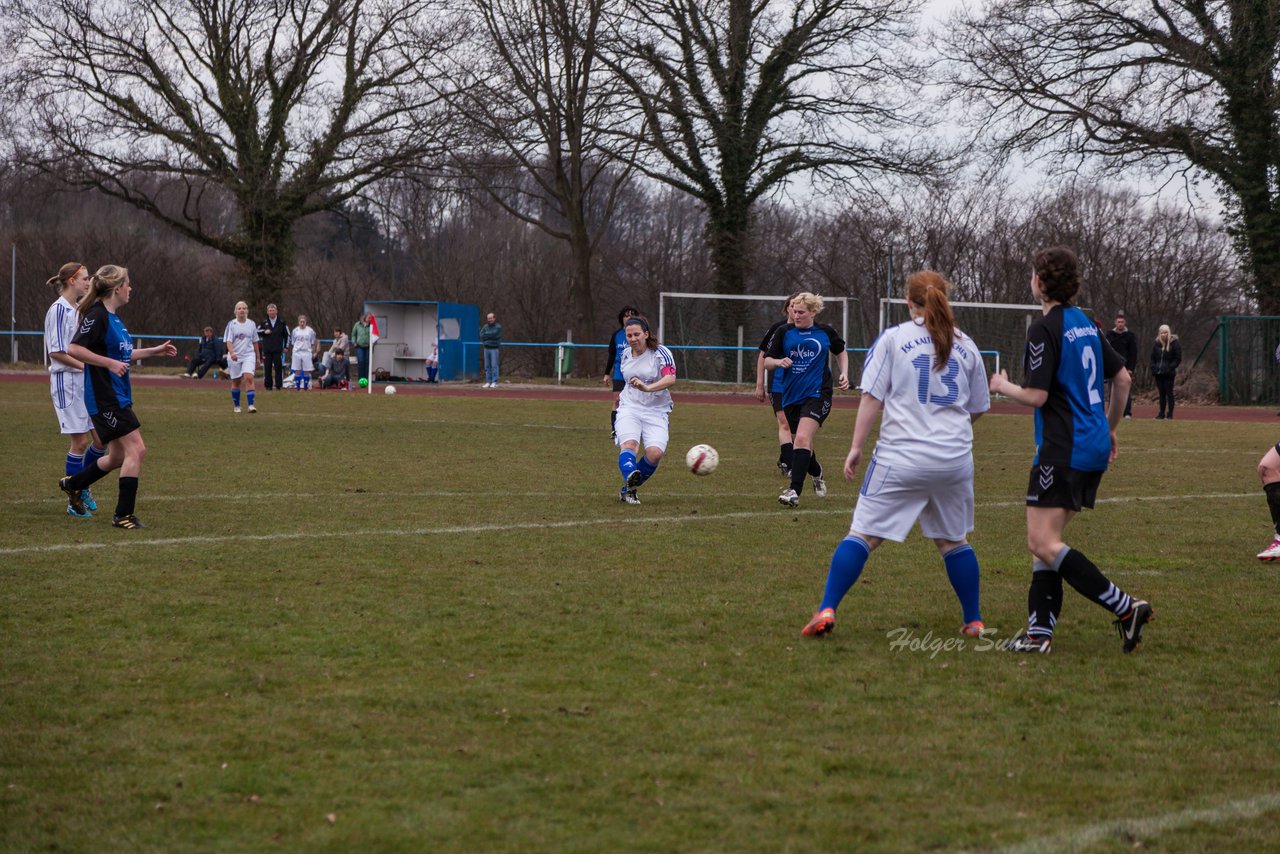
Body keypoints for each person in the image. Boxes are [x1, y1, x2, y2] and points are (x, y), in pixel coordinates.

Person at [802, 271, 990, 639]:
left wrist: (856, 446)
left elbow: (872, 396)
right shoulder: (966, 344)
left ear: (909, 301)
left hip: (900, 456)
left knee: (864, 535)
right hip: (954, 460)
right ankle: (974, 620)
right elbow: (979, 406)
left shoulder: (894, 339)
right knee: (953, 541)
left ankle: (826, 607)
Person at [989, 245, 1153, 654]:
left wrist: (1001, 387)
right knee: (1047, 540)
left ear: (1040, 282)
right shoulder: (1087, 322)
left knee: (1042, 542)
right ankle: (1038, 635)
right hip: (1092, 443)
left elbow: (1037, 395)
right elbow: (1124, 380)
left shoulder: (1044, 328)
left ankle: (1125, 606)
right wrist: (1110, 428)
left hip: (1063, 448)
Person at [57, 265, 177, 529]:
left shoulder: (115, 319)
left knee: (118, 457)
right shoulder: (97, 315)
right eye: (128, 284)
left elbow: (123, 354)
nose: (130, 288)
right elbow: (74, 348)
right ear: (116, 288)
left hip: (119, 395)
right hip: (105, 398)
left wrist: (154, 351)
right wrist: (109, 364)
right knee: (138, 449)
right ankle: (123, 516)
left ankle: (73, 484)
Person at [764, 292, 850, 507]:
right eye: (794, 311)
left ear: (813, 312)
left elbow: (841, 351)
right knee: (804, 444)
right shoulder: (784, 332)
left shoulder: (825, 332)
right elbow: (766, 361)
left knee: (801, 439)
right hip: (791, 395)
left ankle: (794, 491)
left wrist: (844, 373)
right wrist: (778, 361)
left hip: (818, 394)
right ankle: (817, 471)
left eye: (801, 312)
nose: (796, 315)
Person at [43, 262, 106, 517]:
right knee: (80, 442)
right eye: (84, 278)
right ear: (71, 281)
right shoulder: (57, 310)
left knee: (101, 440)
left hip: (84, 381)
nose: (88, 282)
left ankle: (84, 485)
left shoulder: (81, 309)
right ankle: (74, 498)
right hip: (66, 382)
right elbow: (56, 351)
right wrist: (85, 364)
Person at [614, 315, 677, 505]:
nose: (633, 339)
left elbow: (670, 379)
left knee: (655, 454)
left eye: (637, 334)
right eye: (629, 335)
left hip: (656, 410)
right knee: (630, 445)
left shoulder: (660, 352)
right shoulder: (625, 354)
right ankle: (630, 486)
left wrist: (647, 388)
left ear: (646, 334)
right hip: (629, 407)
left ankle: (627, 489)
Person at [755, 295, 800, 477]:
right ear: (787, 308)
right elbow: (763, 356)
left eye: (799, 307)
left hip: (800, 385)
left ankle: (785, 458)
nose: (795, 310)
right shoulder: (777, 329)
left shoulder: (809, 331)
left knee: (797, 430)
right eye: (792, 306)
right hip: (778, 383)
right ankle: (790, 466)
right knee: (785, 424)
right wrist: (760, 384)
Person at [601, 305, 639, 439]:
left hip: (636, 372)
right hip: (619, 372)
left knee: (636, 400)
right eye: (626, 315)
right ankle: (615, 430)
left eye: (632, 315)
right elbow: (612, 355)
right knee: (617, 400)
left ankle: (635, 428)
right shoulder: (616, 335)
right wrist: (607, 373)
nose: (629, 318)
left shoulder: (640, 335)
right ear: (622, 318)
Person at [224, 301, 261, 413]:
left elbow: (255, 342)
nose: (242, 310)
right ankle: (237, 406)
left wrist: (258, 358)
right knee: (236, 381)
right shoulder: (231, 324)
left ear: (247, 311)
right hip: (234, 356)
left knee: (249, 377)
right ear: (235, 311)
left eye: (244, 308)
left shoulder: (251, 324)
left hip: (248, 355)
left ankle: (251, 405)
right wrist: (232, 352)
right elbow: (228, 341)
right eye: (239, 308)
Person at [1104, 310, 1137, 418]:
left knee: (1125, 390)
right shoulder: (1109, 334)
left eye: (1122, 322)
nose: (1120, 324)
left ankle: (1127, 412)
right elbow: (1106, 351)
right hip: (1112, 367)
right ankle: (1112, 413)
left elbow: (1133, 353)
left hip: (1125, 367)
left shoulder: (1130, 336)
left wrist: (1130, 368)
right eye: (1118, 322)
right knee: (1112, 391)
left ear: (1125, 323)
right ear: (1115, 322)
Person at [1150, 323, 1182, 419]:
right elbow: (1153, 358)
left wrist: (1170, 368)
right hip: (1158, 373)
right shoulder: (1156, 344)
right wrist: (1154, 368)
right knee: (1161, 394)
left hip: (1168, 373)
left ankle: (1170, 414)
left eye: (1165, 332)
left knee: (1169, 393)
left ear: (1168, 333)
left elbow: (1177, 358)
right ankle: (1161, 413)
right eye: (1161, 333)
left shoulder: (1175, 343)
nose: (1163, 334)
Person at [258, 303, 290, 390]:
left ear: (276, 311)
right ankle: (268, 386)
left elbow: (287, 335)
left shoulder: (282, 322)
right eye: (270, 311)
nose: (271, 312)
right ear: (267, 312)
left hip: (278, 350)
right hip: (267, 350)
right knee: (267, 368)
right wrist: (264, 331)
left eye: (273, 310)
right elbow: (257, 331)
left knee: (278, 368)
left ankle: (279, 385)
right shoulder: (263, 322)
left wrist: (286, 347)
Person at [289, 314, 318, 390]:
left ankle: (305, 387)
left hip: (306, 352)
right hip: (297, 352)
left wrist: (312, 351)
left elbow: (313, 342)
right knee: (297, 370)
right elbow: (293, 342)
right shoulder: (295, 331)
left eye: (303, 321)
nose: (302, 323)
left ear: (306, 322)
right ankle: (298, 387)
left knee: (306, 370)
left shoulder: (310, 331)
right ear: (298, 322)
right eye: (301, 321)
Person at [481, 311, 502, 388]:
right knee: (487, 366)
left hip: (494, 349)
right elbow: (481, 334)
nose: (489, 319)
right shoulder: (485, 326)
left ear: (494, 318)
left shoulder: (498, 327)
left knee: (494, 366)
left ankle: (494, 382)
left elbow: (495, 335)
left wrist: (487, 335)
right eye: (488, 318)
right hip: (486, 348)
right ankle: (488, 382)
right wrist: (488, 336)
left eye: (491, 318)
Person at [351, 313, 372, 384]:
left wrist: (373, 343)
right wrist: (354, 342)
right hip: (359, 346)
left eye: (371, 318)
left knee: (367, 362)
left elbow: (375, 335)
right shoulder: (357, 324)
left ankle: (366, 380)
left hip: (368, 347)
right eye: (369, 318)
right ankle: (361, 379)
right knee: (361, 362)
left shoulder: (371, 325)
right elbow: (353, 334)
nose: (370, 319)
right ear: (365, 318)